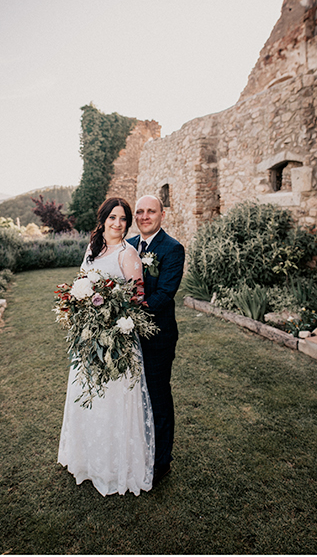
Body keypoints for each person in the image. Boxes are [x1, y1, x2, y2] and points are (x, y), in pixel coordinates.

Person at [58, 197, 155, 495]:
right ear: (102, 220)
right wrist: (77, 306)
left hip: (116, 340)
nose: (118, 223)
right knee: (88, 395)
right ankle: (88, 460)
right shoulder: (93, 249)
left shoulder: (128, 255)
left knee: (113, 400)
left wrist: (111, 316)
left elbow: (136, 300)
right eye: (112, 217)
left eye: (123, 219)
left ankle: (116, 467)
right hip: (89, 338)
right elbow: (80, 284)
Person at [128, 195, 186, 486]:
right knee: (134, 396)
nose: (144, 216)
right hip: (128, 337)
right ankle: (139, 448)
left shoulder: (172, 248)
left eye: (151, 211)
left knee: (158, 395)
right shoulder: (127, 247)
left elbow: (164, 295)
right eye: (139, 212)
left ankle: (162, 461)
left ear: (162, 214)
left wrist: (129, 313)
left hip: (158, 336)